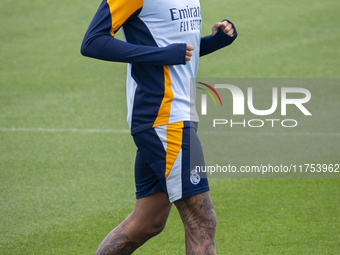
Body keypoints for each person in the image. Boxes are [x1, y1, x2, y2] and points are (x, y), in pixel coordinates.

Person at [81, 0, 237, 254]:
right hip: (162, 117)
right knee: (202, 220)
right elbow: (93, 42)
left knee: (147, 223)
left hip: (178, 114)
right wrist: (161, 56)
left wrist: (215, 41)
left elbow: (179, 49)